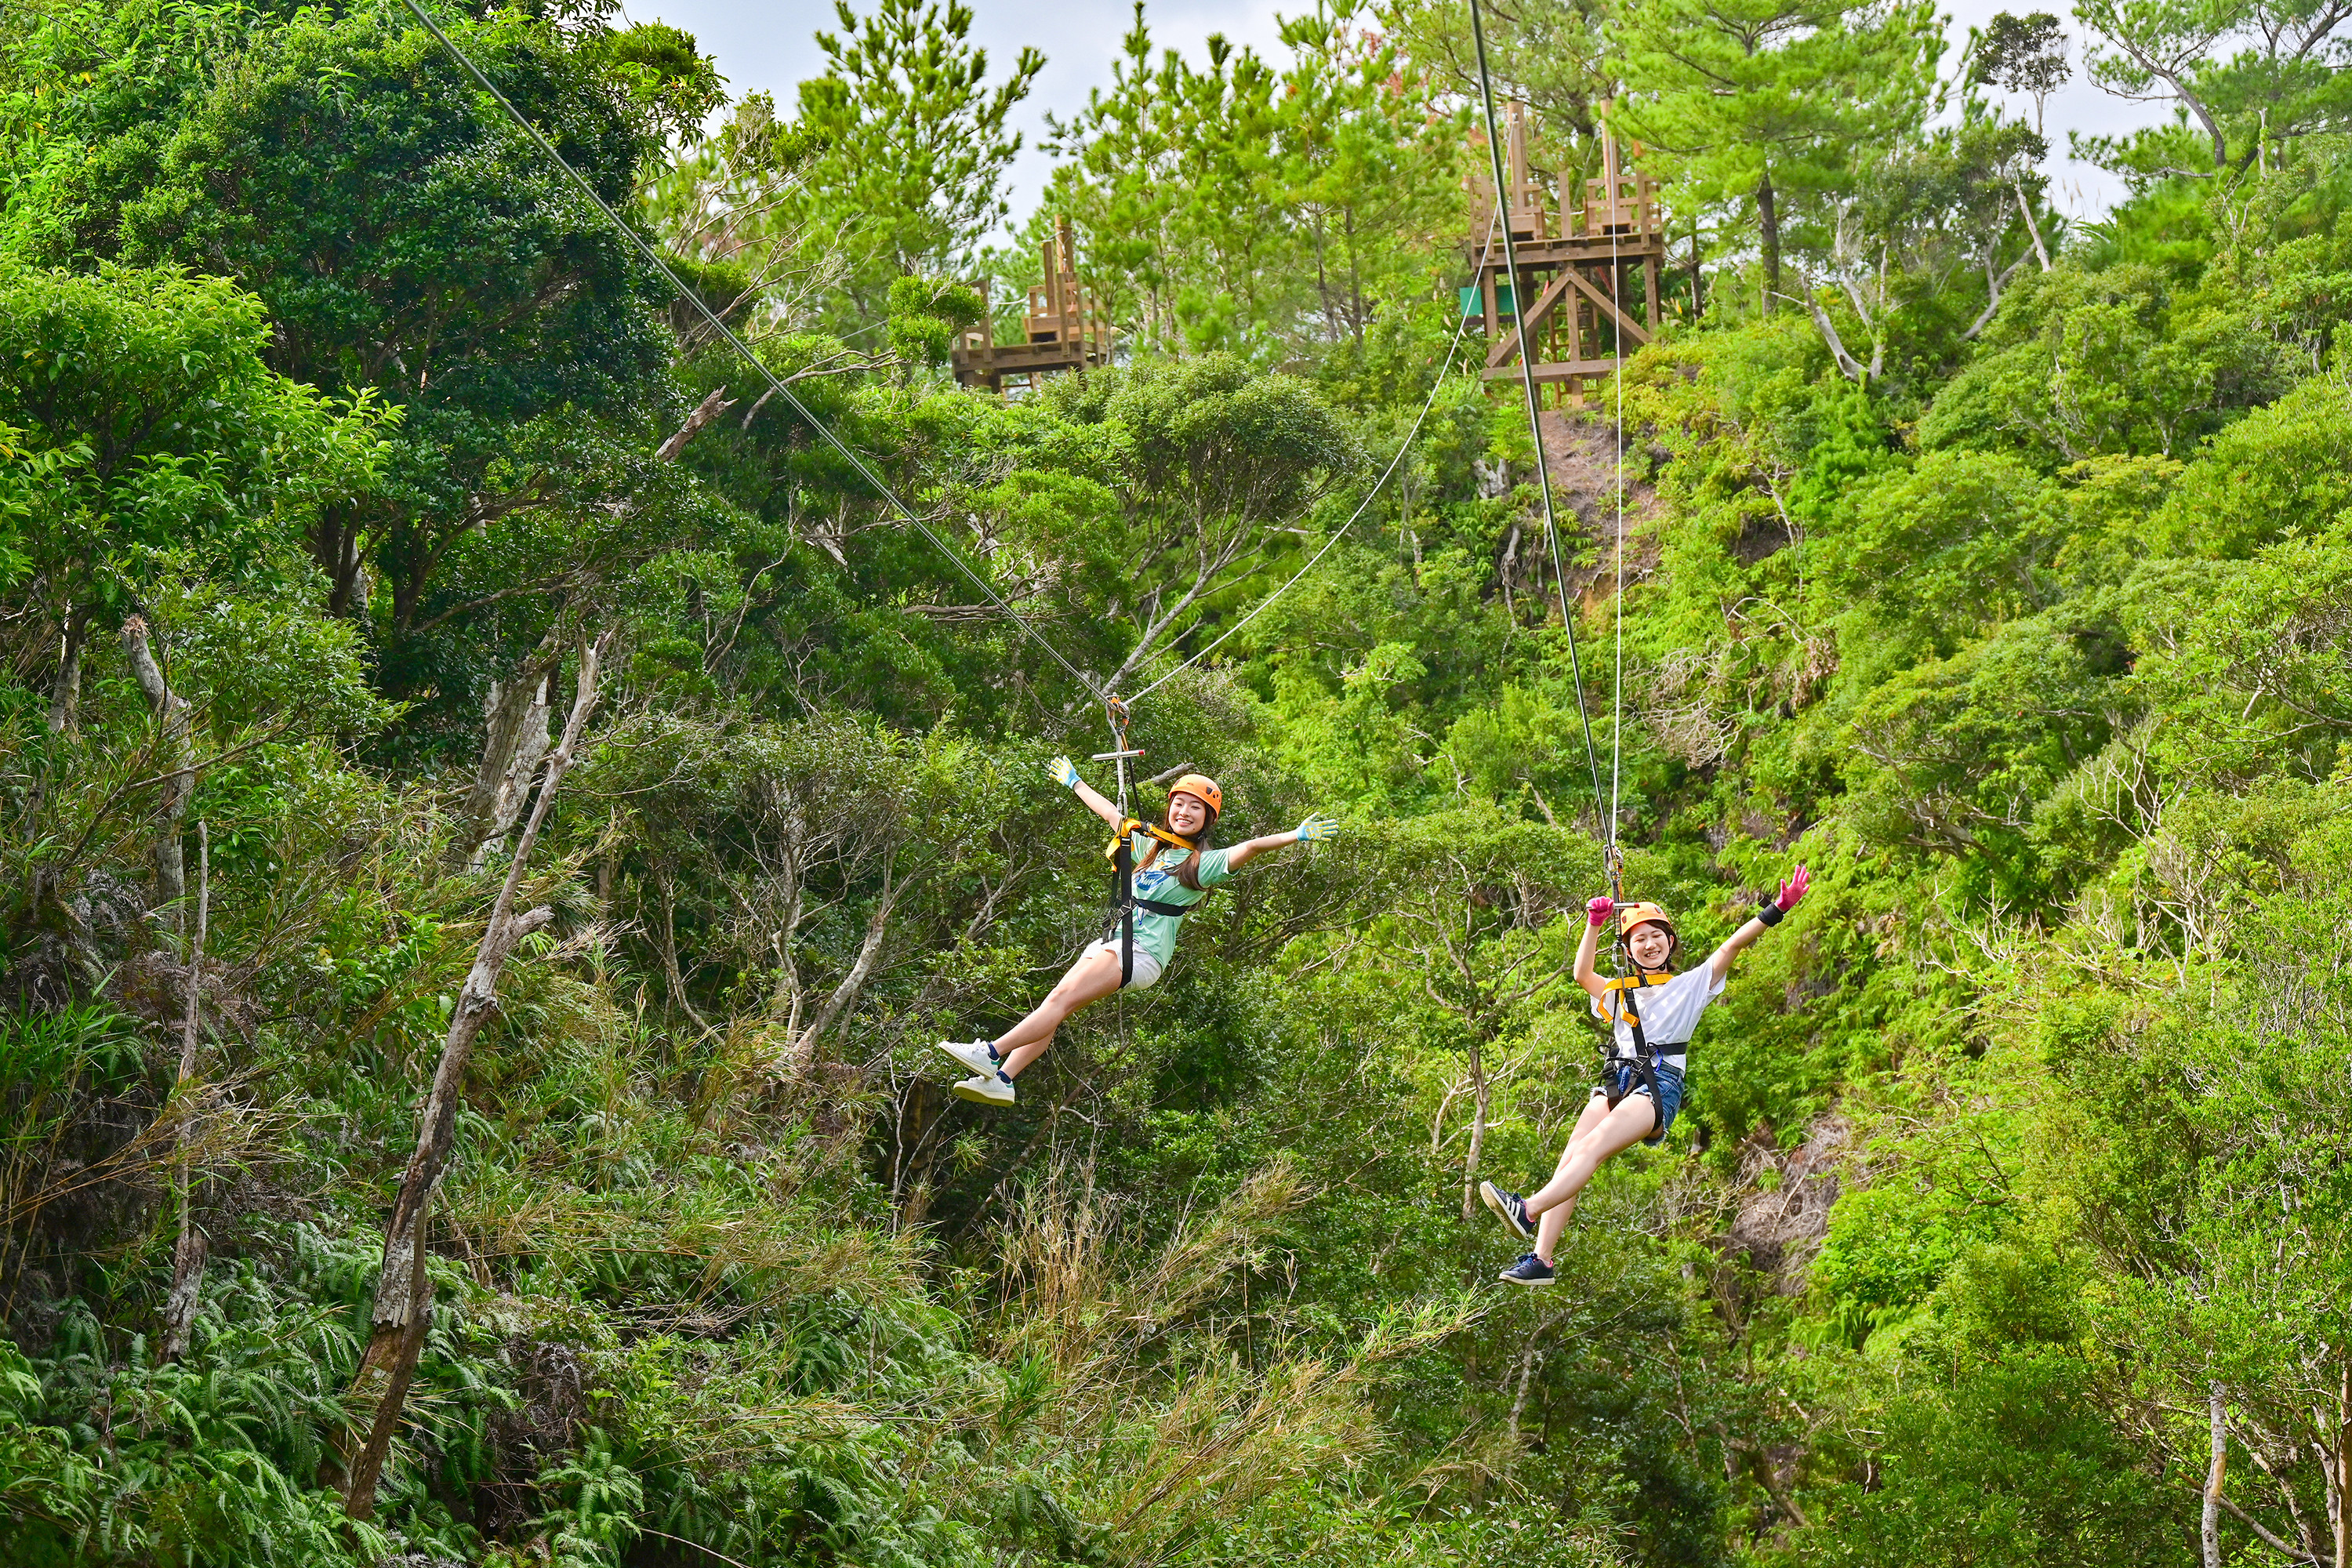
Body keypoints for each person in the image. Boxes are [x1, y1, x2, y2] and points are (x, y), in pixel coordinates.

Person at [935, 756, 1338, 1106]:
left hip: (1140, 952)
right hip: (1114, 941)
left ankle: (989, 1052)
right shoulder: (1150, 847)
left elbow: (1249, 848)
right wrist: (1075, 782)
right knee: (1053, 1008)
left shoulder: (1201, 864)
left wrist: (1295, 835)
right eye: (1179, 803)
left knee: (1058, 1000)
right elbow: (1111, 814)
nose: (1184, 811)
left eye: (1195, 808)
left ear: (1206, 820)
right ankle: (1004, 1080)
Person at [1478, 867, 1810, 1284]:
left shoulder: (1691, 985)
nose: (1649, 943)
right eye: (1639, 938)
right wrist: (1594, 924)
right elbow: (1582, 974)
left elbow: (1731, 945)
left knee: (1593, 1147)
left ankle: (1526, 1211)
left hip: (1659, 1084)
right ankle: (1542, 1260)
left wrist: (1778, 907)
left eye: (1657, 936)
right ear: (1629, 948)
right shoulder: (1620, 990)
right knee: (1571, 1158)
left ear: (1670, 942)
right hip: (1618, 1079)